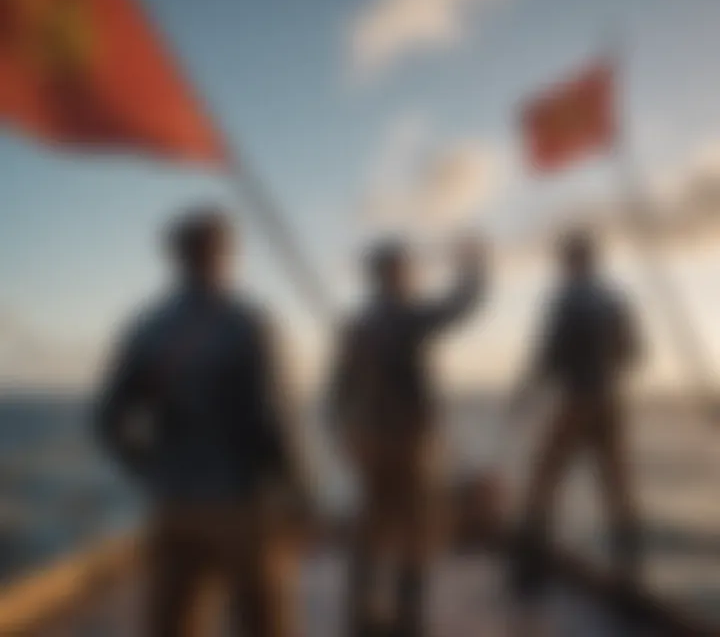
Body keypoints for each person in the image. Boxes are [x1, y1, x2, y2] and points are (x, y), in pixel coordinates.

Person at [96, 208, 305, 637]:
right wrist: (301, 491)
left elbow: (108, 420)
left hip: (172, 503)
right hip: (241, 503)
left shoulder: (147, 327)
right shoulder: (247, 323)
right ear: (225, 254)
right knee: (263, 621)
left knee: (172, 622)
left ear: (176, 257)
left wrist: (151, 468)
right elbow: (274, 418)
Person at [328, 237, 486, 637]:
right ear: (393, 275)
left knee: (371, 525)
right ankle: (407, 617)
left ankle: (360, 613)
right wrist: (473, 270)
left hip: (373, 440)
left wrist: (344, 434)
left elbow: (338, 393)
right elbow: (459, 307)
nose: (408, 277)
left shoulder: (357, 326)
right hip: (408, 441)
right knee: (416, 527)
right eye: (403, 270)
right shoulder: (408, 318)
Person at [511, 229, 643, 598]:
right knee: (617, 486)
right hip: (610, 401)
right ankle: (629, 577)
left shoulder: (566, 301)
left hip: (576, 401)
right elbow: (633, 352)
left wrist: (522, 394)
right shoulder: (614, 300)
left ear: (571, 261)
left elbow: (546, 357)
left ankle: (530, 571)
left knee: (543, 481)